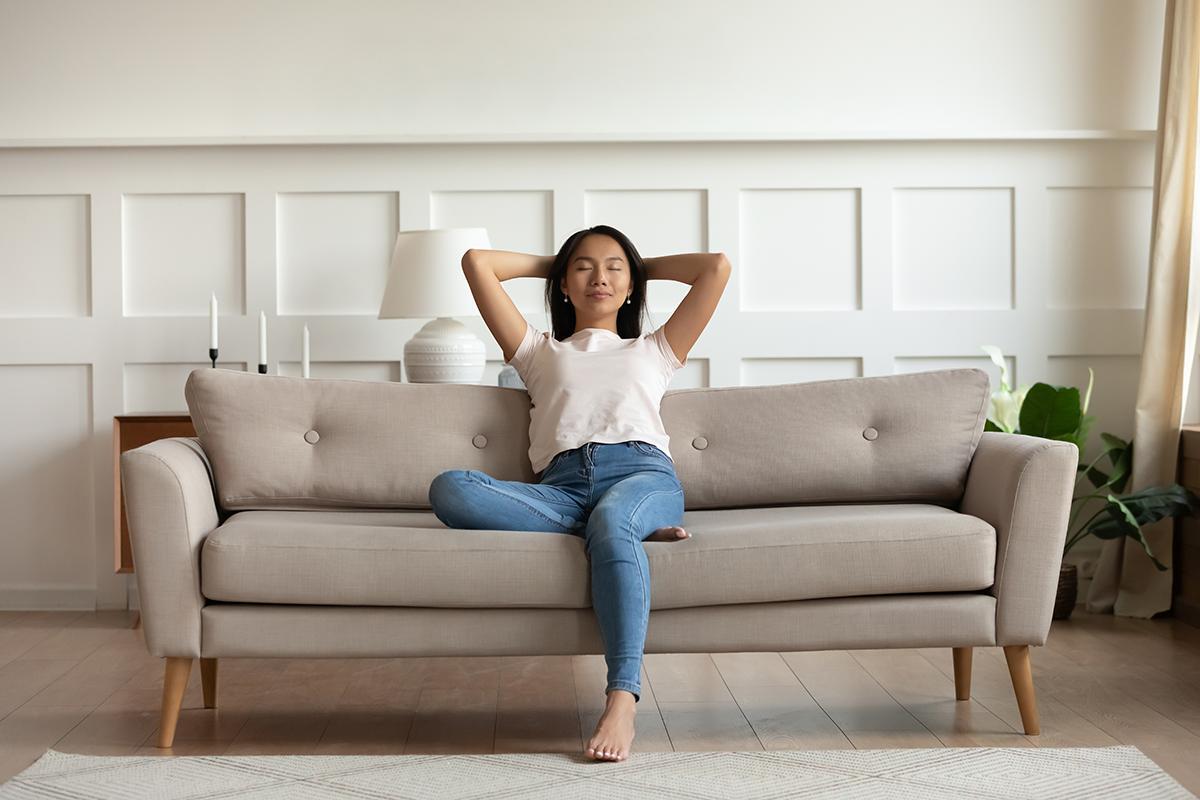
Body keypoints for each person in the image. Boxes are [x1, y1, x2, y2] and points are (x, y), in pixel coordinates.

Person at [428, 225, 731, 762]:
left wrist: (634, 265)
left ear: (632, 284)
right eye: (584, 268)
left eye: (614, 268)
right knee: (452, 488)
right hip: (562, 490)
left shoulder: (656, 348)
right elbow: (478, 262)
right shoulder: (535, 351)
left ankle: (622, 698)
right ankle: (623, 529)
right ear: (563, 284)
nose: (600, 277)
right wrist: (562, 261)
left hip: (641, 474)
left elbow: (715, 269)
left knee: (614, 519)